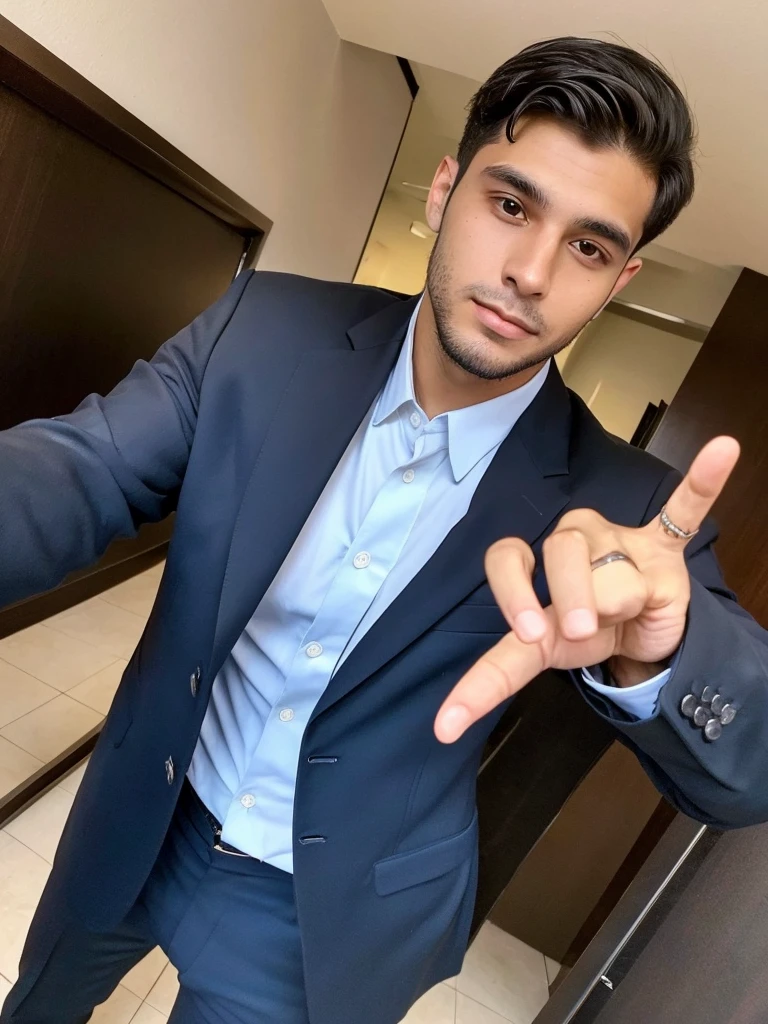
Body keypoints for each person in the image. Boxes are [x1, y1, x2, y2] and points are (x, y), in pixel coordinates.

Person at [0, 34, 764, 1024]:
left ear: (619, 280)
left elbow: (747, 772)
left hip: (321, 920)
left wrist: (664, 650)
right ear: (444, 190)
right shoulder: (262, 332)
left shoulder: (625, 507)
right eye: (510, 203)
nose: (531, 271)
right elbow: (81, 467)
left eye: (587, 246)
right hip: (144, 815)